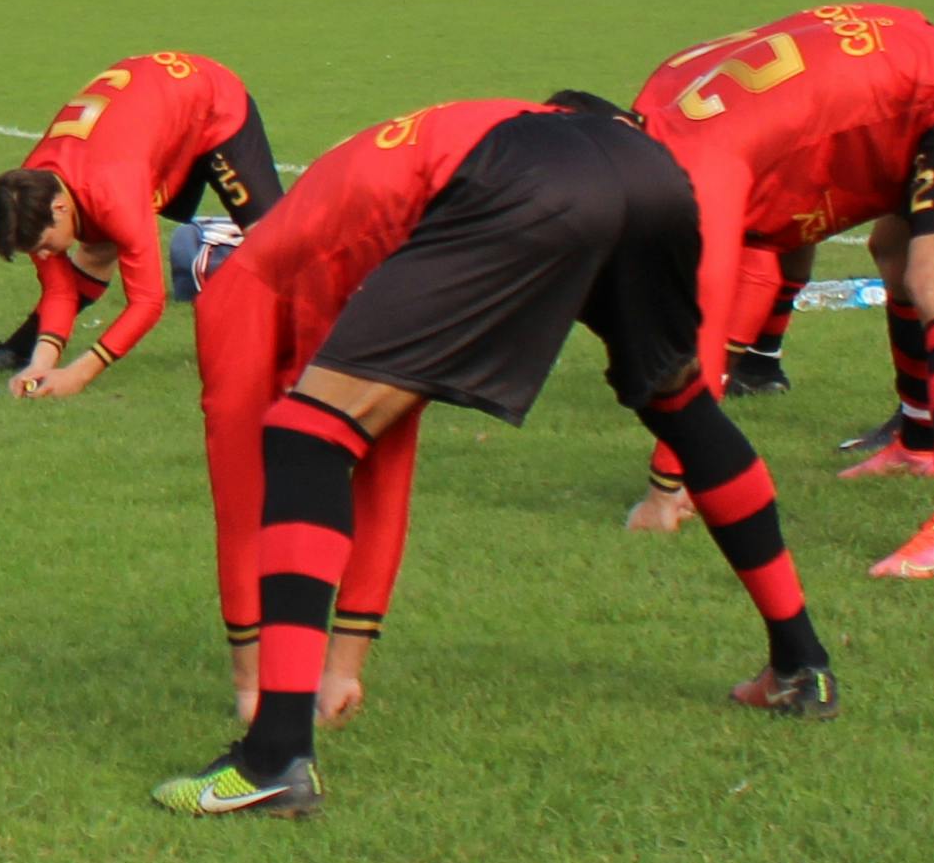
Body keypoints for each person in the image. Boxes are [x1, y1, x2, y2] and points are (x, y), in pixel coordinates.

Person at [164, 93, 833, 824]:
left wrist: (253, 667)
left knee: (304, 436)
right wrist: (343, 655)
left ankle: (272, 759)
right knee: (682, 406)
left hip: (524, 176)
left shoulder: (251, 279)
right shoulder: (408, 169)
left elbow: (257, 482)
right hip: (650, 172)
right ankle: (801, 665)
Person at [623, 2, 934, 580]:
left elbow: (715, 321)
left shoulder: (697, 166)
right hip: (909, 73)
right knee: (894, 255)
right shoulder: (662, 95)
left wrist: (667, 485)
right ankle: (919, 444)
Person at [0, 52, 287, 397]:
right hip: (151, 123)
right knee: (97, 249)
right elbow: (59, 290)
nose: (45, 254)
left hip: (211, 102)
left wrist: (80, 373)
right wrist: (41, 364)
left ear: (61, 207)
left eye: (45, 245)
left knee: (273, 247)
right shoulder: (28, 194)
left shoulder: (113, 193)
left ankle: (318, 343)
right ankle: (22, 350)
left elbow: (147, 302)